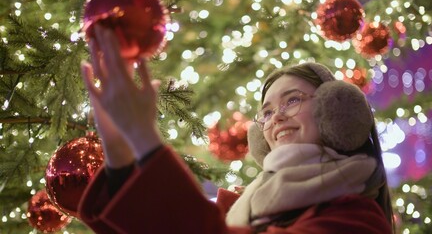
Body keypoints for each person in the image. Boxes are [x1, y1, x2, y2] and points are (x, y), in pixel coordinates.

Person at [78, 25, 394, 234]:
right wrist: (119, 154)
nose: (275, 119)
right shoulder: (241, 205)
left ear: (334, 111)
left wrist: (144, 138)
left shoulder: (357, 218)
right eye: (266, 112)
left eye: (292, 100)